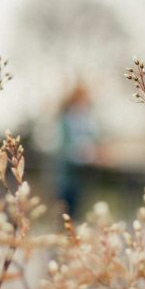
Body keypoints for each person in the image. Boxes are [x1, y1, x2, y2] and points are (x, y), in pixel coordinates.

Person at [56, 83, 98, 217]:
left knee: (79, 213)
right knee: (65, 212)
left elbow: (93, 141)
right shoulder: (66, 120)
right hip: (66, 175)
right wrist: (86, 154)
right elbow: (64, 148)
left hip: (83, 176)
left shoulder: (88, 122)